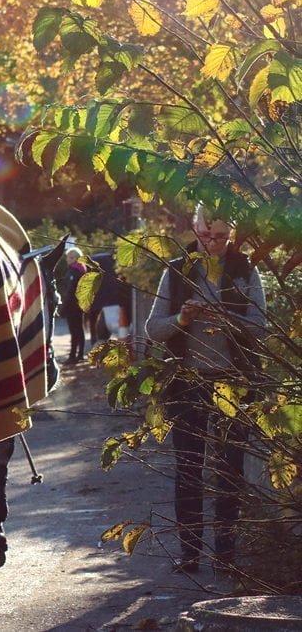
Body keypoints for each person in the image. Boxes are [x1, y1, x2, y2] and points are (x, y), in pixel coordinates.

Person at [145, 205, 266, 573]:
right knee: (188, 467)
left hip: (233, 380)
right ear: (194, 229)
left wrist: (227, 318)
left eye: (220, 237)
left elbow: (260, 327)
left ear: (232, 234)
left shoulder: (246, 269)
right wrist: (182, 318)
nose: (211, 243)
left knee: (230, 468)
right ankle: (190, 553)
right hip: (187, 381)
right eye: (204, 235)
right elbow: (154, 329)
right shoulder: (176, 270)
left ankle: (226, 555)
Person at [61, 246, 88, 364]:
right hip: (79, 304)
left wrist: (63, 307)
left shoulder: (74, 271)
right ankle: (80, 354)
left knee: (74, 330)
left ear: (74, 258)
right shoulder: (82, 269)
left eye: (69, 257)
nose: (67, 259)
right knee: (79, 329)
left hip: (72, 306)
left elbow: (70, 291)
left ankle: (73, 356)